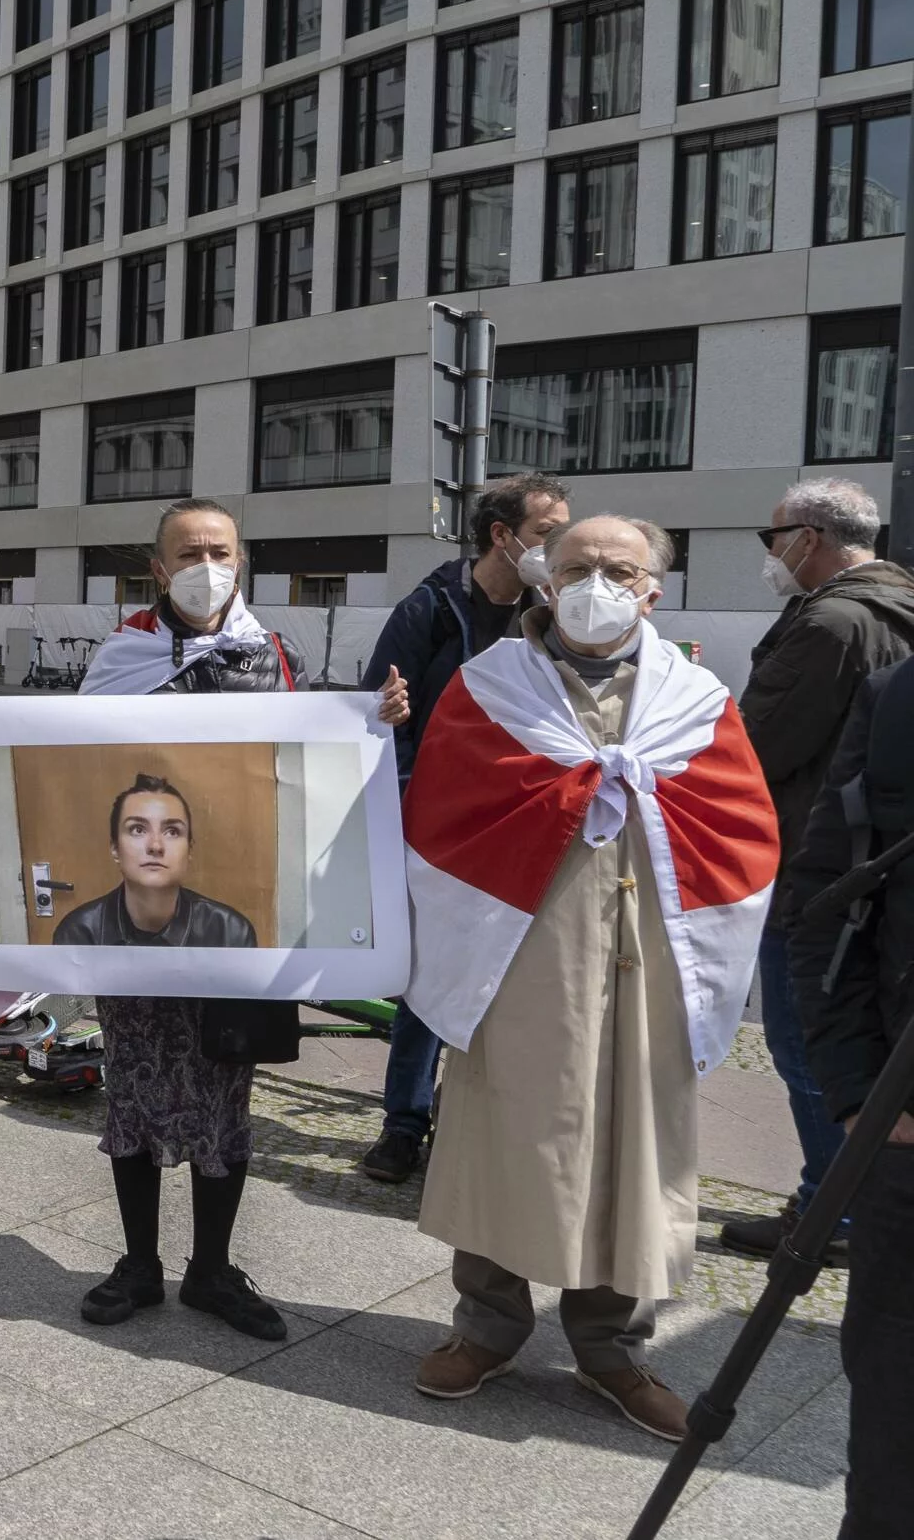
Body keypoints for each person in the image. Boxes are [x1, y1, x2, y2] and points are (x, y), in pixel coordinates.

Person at [0, 498, 408, 1346]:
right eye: (189, 551)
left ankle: (214, 1268)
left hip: (234, 932)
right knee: (134, 1094)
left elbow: (308, 766)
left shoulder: (276, 654)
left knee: (225, 1097)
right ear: (158, 569)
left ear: (244, 560)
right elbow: (67, 762)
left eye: (221, 550)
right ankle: (138, 1263)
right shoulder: (123, 653)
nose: (208, 564)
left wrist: (378, 724)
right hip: (133, 937)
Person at [402, 516, 778, 1442]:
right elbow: (438, 818)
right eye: (577, 566)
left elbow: (743, 828)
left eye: (618, 569)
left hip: (645, 953)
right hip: (519, 951)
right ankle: (486, 1326)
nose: (595, 582)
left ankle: (612, 1347)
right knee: (504, 1127)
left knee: (633, 1143)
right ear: (543, 577)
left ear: (654, 588)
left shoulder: (696, 699)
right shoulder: (489, 687)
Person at [353, 473, 571, 1184]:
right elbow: (377, 709)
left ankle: (469, 1115)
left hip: (521, 822)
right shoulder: (432, 606)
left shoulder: (555, 611)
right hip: (437, 821)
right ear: (502, 536)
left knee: (505, 976)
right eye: (547, 532)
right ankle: (403, 1124)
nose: (558, 546)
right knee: (428, 975)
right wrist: (402, 746)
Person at [720, 478, 914, 1261]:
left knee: (808, 1044)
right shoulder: (896, 604)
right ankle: (849, 1201)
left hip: (812, 861)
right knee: (860, 1036)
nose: (771, 555)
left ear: (812, 536)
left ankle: (831, 1208)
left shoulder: (829, 622)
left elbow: (751, 750)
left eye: (775, 539)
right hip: (876, 868)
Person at [787, 660, 914, 1533]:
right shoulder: (900, 696)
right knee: (894, 1417)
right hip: (904, 1137)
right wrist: (863, 1096)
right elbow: (826, 901)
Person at [51, 775, 260, 945]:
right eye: (138, 830)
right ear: (115, 848)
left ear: (189, 850)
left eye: (172, 831)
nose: (155, 846)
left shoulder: (229, 933)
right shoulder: (78, 933)